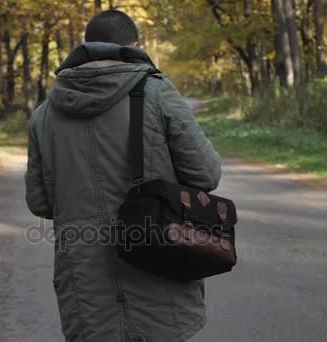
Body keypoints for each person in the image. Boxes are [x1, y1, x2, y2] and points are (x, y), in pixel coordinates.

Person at [25, 10, 222, 342]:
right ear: (134, 45)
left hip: (86, 288)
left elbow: (40, 202)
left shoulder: (44, 115)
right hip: (159, 269)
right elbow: (206, 174)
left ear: (85, 47)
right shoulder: (157, 91)